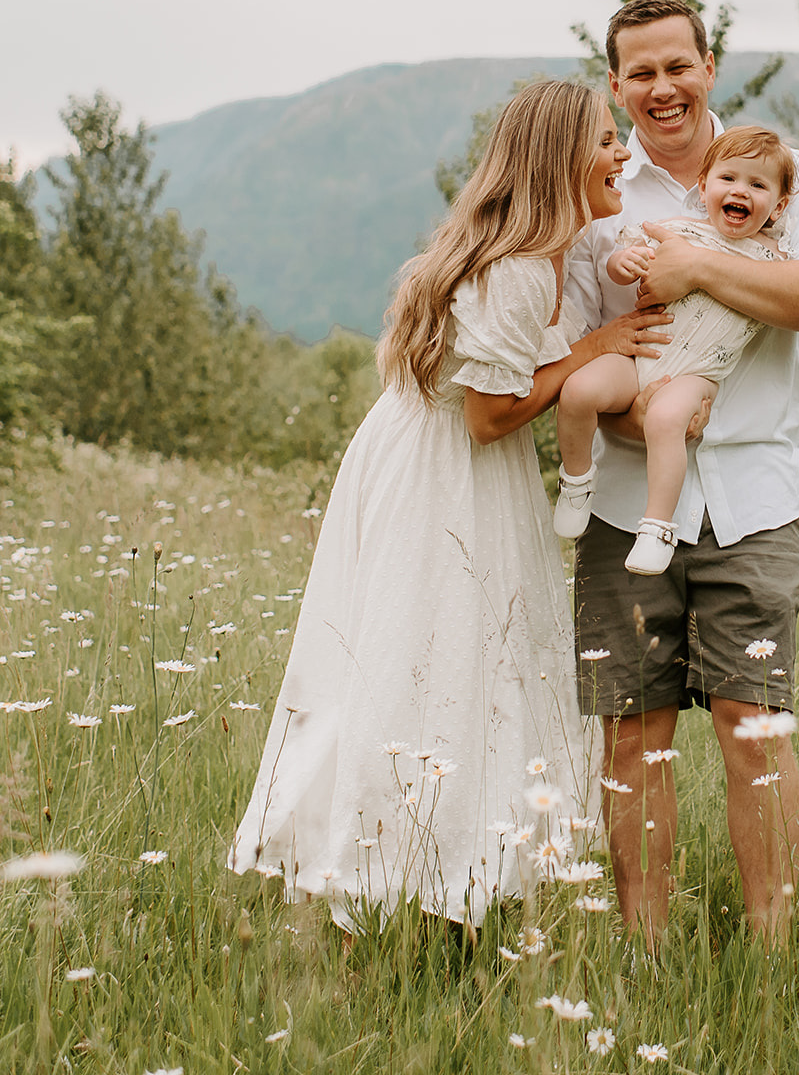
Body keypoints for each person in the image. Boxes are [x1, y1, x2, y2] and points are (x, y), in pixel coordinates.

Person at [228, 79, 671, 932]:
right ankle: (389, 872)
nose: (622, 155)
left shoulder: (537, 255)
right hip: (444, 471)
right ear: (560, 159)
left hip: (430, 459)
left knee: (459, 662)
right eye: (606, 141)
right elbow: (488, 415)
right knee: (426, 660)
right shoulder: (514, 270)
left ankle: (450, 866)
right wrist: (594, 347)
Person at [566, 0, 799, 945]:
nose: (662, 89)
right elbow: (578, 346)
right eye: (640, 73)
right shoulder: (602, 191)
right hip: (623, 501)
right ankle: (646, 951)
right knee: (631, 732)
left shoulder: (783, 171)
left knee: (753, 724)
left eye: (677, 67)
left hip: (754, 500)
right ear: (618, 86)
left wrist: (695, 268)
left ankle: (775, 949)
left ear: (708, 68)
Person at [555, 126, 799, 575]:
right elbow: (622, 258)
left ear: (780, 204)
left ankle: (656, 526)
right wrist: (622, 263)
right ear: (704, 186)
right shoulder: (679, 231)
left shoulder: (777, 258)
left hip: (695, 373)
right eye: (728, 180)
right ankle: (576, 479)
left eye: (757, 185)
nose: (740, 192)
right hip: (642, 356)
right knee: (578, 390)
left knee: (667, 419)